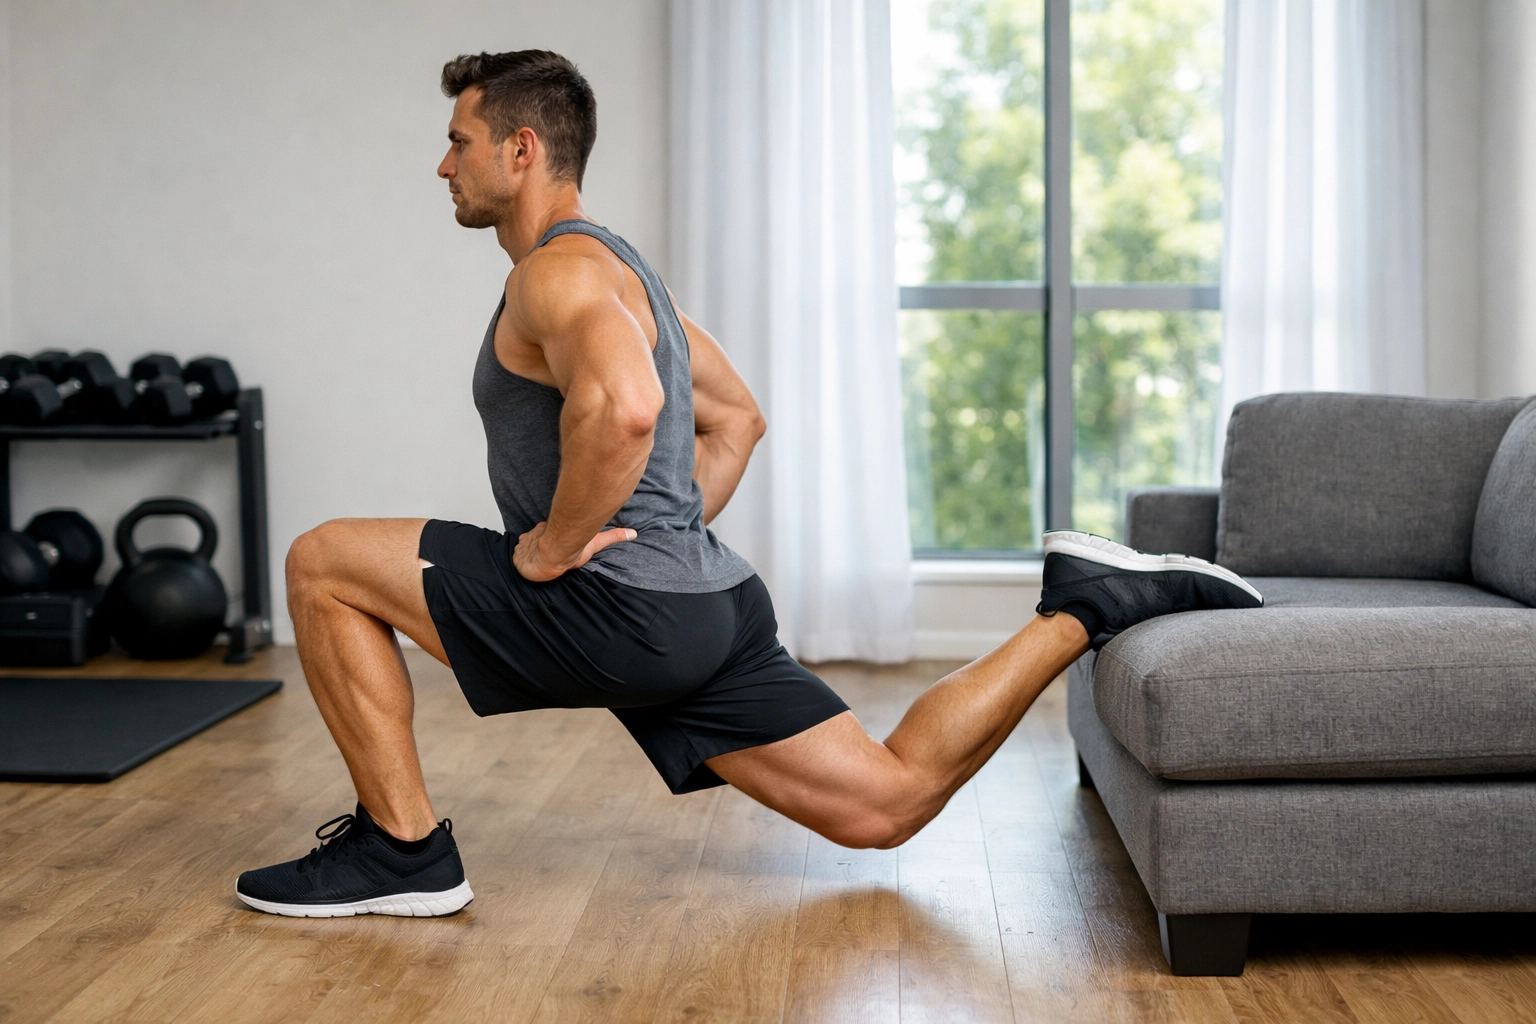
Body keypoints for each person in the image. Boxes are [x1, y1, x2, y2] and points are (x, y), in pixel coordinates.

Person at [234, 49, 1261, 918]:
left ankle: (403, 850)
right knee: (884, 806)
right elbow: (736, 416)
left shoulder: (553, 272)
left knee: (322, 563)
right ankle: (1082, 607)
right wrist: (660, 534)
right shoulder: (629, 273)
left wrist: (553, 545)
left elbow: (629, 408)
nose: (441, 165)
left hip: (620, 610)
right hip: (707, 604)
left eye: (458, 141)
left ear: (521, 149)